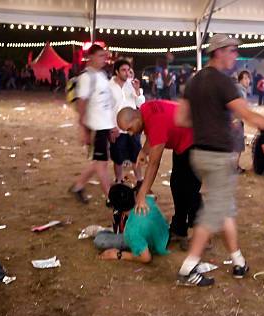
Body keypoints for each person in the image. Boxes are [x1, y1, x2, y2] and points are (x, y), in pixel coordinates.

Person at [175, 34, 264, 287]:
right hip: (218, 156)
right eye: (233, 51)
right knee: (213, 212)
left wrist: (208, 121)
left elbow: (181, 119)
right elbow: (253, 119)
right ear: (219, 52)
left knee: (224, 208)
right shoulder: (224, 83)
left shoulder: (194, 81)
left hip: (199, 153)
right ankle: (187, 268)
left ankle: (238, 261)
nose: (236, 56)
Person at [117, 101, 199, 251]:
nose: (130, 133)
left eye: (129, 129)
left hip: (195, 141)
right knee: (176, 184)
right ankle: (179, 229)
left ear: (136, 119)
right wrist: (144, 151)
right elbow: (151, 134)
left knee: (190, 190)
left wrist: (141, 194)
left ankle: (203, 236)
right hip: (183, 142)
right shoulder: (145, 110)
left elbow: (154, 164)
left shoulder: (156, 123)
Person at [70, 44, 119, 203]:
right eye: (101, 56)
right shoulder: (86, 77)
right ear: (90, 57)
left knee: (99, 161)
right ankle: (110, 197)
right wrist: (83, 128)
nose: (104, 59)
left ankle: (78, 186)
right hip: (95, 126)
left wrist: (112, 125)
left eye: (105, 56)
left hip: (104, 125)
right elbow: (81, 103)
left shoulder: (102, 75)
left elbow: (106, 103)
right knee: (102, 163)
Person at [95, 184, 169, 263]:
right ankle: (108, 231)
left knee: (99, 240)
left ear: (116, 209)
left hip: (153, 243)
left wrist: (119, 255)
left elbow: (146, 258)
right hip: (164, 234)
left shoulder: (131, 231)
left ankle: (107, 231)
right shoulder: (146, 199)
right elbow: (152, 195)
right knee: (103, 235)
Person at [109, 59, 145, 184]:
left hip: (132, 128)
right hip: (117, 129)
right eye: (123, 70)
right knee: (118, 158)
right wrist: (112, 128)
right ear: (116, 72)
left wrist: (137, 91)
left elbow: (141, 104)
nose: (126, 73)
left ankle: (139, 181)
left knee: (136, 156)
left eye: (128, 70)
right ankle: (119, 181)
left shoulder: (132, 84)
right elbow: (106, 109)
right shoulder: (109, 86)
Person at [233, 70, 251, 173]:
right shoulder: (239, 90)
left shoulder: (240, 89)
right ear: (240, 79)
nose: (247, 80)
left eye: (248, 78)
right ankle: (234, 168)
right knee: (237, 146)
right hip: (236, 122)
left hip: (235, 121)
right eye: (245, 78)